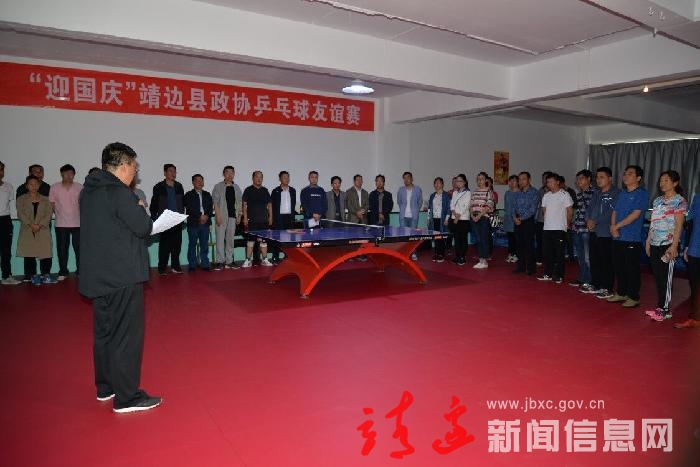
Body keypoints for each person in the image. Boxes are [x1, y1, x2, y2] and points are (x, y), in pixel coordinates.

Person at [79, 142, 161, 413]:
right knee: (126, 336)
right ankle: (127, 397)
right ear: (123, 165)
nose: (136, 171)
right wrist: (140, 206)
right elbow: (144, 227)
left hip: (98, 275)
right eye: (134, 166)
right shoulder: (120, 193)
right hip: (122, 275)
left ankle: (106, 387)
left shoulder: (89, 191)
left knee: (104, 333)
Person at [644, 171, 687, 322]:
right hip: (655, 243)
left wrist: (674, 246)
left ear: (675, 183)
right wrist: (648, 241)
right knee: (658, 277)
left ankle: (665, 310)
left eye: (666, 180)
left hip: (668, 245)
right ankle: (660, 307)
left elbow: (679, 225)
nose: (662, 183)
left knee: (666, 278)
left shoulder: (679, 201)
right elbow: (653, 222)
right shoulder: (657, 201)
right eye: (661, 180)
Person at [607, 165, 649, 308]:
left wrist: (617, 226)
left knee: (631, 268)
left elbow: (635, 215)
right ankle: (621, 292)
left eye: (630, 173)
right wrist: (613, 227)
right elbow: (615, 211)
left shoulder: (641, 194)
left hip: (632, 237)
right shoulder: (622, 193)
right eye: (625, 173)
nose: (625, 176)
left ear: (638, 178)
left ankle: (633, 296)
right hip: (618, 236)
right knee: (619, 266)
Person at [582, 167, 620, 298]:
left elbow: (611, 212)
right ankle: (595, 284)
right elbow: (589, 209)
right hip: (594, 231)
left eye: (602, 177)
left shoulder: (616, 193)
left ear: (610, 178)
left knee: (606, 261)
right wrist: (588, 220)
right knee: (594, 259)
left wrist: (595, 221)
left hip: (606, 232)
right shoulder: (596, 193)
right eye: (597, 177)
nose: (598, 180)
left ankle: (607, 287)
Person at [16, 176, 55, 285]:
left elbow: (49, 214)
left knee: (46, 252)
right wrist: (31, 224)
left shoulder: (46, 199)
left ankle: (45, 275)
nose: (34, 186)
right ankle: (31, 275)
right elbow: (20, 214)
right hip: (27, 228)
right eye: (31, 184)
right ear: (26, 186)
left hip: (43, 229)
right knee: (29, 253)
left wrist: (39, 225)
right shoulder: (21, 199)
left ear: (39, 185)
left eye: (36, 184)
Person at [537, 174, 573, 284]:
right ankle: (548, 273)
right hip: (547, 228)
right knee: (547, 252)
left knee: (559, 253)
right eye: (547, 182)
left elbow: (570, 211)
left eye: (551, 181)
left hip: (559, 228)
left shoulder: (564, 194)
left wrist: (567, 224)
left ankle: (558, 275)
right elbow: (544, 210)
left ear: (557, 182)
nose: (549, 184)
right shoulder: (546, 195)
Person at [49, 164, 83, 280]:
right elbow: (52, 204)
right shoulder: (54, 187)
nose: (69, 175)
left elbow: (83, 203)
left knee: (79, 248)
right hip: (61, 223)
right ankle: (63, 271)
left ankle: (80, 270)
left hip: (78, 223)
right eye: (66, 173)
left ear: (74, 175)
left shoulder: (79, 187)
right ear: (61, 174)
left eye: (71, 173)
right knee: (62, 249)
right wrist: (59, 214)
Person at [150, 164, 185, 275]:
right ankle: (162, 268)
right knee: (164, 245)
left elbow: (182, 203)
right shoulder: (158, 187)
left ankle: (175, 266)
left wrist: (182, 215)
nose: (173, 173)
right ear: (165, 173)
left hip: (177, 219)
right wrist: (154, 218)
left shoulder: (179, 186)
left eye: (174, 171)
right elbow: (154, 204)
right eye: (170, 171)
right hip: (164, 220)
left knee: (177, 245)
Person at [676, 190, 700, 329]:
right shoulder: (698, 198)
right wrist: (686, 246)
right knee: (694, 283)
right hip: (695, 248)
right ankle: (695, 317)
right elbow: (690, 222)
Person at [211, 166, 242, 270]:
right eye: (227, 172)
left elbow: (239, 203)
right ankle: (220, 261)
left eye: (232, 173)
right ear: (224, 174)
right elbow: (215, 202)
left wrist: (239, 216)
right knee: (220, 239)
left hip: (232, 216)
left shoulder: (236, 187)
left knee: (230, 240)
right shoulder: (218, 186)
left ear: (234, 174)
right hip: (221, 216)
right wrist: (218, 216)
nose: (230, 175)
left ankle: (229, 261)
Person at [242, 171, 273, 268]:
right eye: (257, 177)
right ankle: (248, 260)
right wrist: (245, 218)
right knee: (250, 241)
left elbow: (269, 205)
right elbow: (244, 205)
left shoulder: (265, 190)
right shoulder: (248, 190)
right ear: (253, 178)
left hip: (263, 220)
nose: (259, 179)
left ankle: (265, 259)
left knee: (263, 241)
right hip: (252, 221)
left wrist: (270, 217)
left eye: (261, 177)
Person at [569, 170, 595, 288]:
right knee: (580, 257)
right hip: (577, 229)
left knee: (588, 257)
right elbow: (577, 211)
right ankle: (582, 278)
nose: (578, 181)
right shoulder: (579, 194)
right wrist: (573, 224)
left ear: (589, 179)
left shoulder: (595, 193)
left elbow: (593, 212)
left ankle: (590, 280)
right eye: (577, 179)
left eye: (581, 178)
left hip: (587, 230)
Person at [184, 174, 214, 272]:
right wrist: (200, 216)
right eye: (197, 180)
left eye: (201, 180)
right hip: (193, 223)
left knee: (204, 245)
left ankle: (205, 264)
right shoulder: (188, 195)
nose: (199, 182)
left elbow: (210, 208)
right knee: (192, 244)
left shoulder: (207, 194)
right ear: (193, 182)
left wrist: (206, 216)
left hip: (205, 223)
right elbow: (189, 208)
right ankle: (192, 265)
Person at [513, 172, 540, 276]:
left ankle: (531, 268)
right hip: (517, 221)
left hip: (528, 221)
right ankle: (520, 267)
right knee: (519, 244)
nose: (521, 181)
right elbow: (514, 207)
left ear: (529, 179)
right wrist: (514, 217)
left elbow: (532, 209)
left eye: (523, 179)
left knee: (529, 245)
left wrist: (521, 218)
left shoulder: (534, 192)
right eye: (519, 179)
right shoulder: (518, 193)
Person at [469, 172, 495, 269]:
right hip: (474, 218)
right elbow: (471, 205)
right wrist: (472, 215)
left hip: (483, 218)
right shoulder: (475, 191)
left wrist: (479, 216)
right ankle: (480, 259)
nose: (479, 181)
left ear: (486, 180)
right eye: (478, 179)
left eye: (481, 179)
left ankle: (484, 261)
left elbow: (489, 206)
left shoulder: (489, 191)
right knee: (478, 239)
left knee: (484, 239)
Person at [0, 161, 20, 285]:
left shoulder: (8, 187)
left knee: (6, 251)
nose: (0, 172)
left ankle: (6, 276)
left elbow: (10, 205)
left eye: (2, 169)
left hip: (5, 220)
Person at [270, 170, 296, 264]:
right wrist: (272, 218)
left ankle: (288, 256)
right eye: (284, 177)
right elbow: (272, 205)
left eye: (287, 177)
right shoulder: (275, 191)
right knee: (277, 238)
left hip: (289, 217)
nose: (286, 179)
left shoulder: (292, 190)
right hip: (279, 218)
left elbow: (293, 204)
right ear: (280, 179)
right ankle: (275, 257)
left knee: (289, 239)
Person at [397, 171, 423, 260]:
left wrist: (416, 210)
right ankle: (404, 254)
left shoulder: (417, 189)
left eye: (408, 177)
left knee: (413, 236)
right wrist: (403, 210)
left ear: (411, 179)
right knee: (403, 236)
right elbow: (399, 202)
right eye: (404, 178)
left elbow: (420, 202)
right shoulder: (401, 190)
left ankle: (413, 253)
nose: (406, 180)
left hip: (414, 217)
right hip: (403, 217)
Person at [428, 177, 451, 262]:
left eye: (439, 183)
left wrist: (447, 219)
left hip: (442, 219)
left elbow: (448, 208)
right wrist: (428, 218)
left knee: (441, 237)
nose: (437, 184)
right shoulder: (432, 195)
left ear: (442, 184)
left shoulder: (446, 195)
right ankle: (437, 253)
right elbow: (429, 208)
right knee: (436, 237)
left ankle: (441, 254)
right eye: (435, 183)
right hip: (434, 219)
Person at [450, 174, 471, 266]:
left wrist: (458, 217)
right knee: (456, 238)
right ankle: (457, 256)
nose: (457, 183)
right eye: (456, 181)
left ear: (464, 182)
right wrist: (454, 214)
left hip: (463, 219)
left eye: (460, 181)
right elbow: (452, 205)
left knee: (463, 238)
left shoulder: (467, 192)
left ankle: (462, 257)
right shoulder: (455, 192)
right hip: (454, 217)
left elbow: (465, 206)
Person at [534, 171, 551, 265]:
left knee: (549, 242)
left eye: (546, 178)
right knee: (539, 240)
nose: (544, 180)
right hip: (540, 219)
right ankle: (539, 258)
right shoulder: (540, 191)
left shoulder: (555, 191)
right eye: (543, 178)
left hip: (551, 221)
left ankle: (550, 259)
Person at [503, 175, 519, 263]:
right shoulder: (507, 193)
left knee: (516, 238)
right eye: (510, 181)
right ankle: (510, 254)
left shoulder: (520, 193)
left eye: (514, 181)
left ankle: (516, 254)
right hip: (508, 219)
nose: (512, 183)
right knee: (510, 237)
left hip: (516, 219)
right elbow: (506, 206)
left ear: (517, 182)